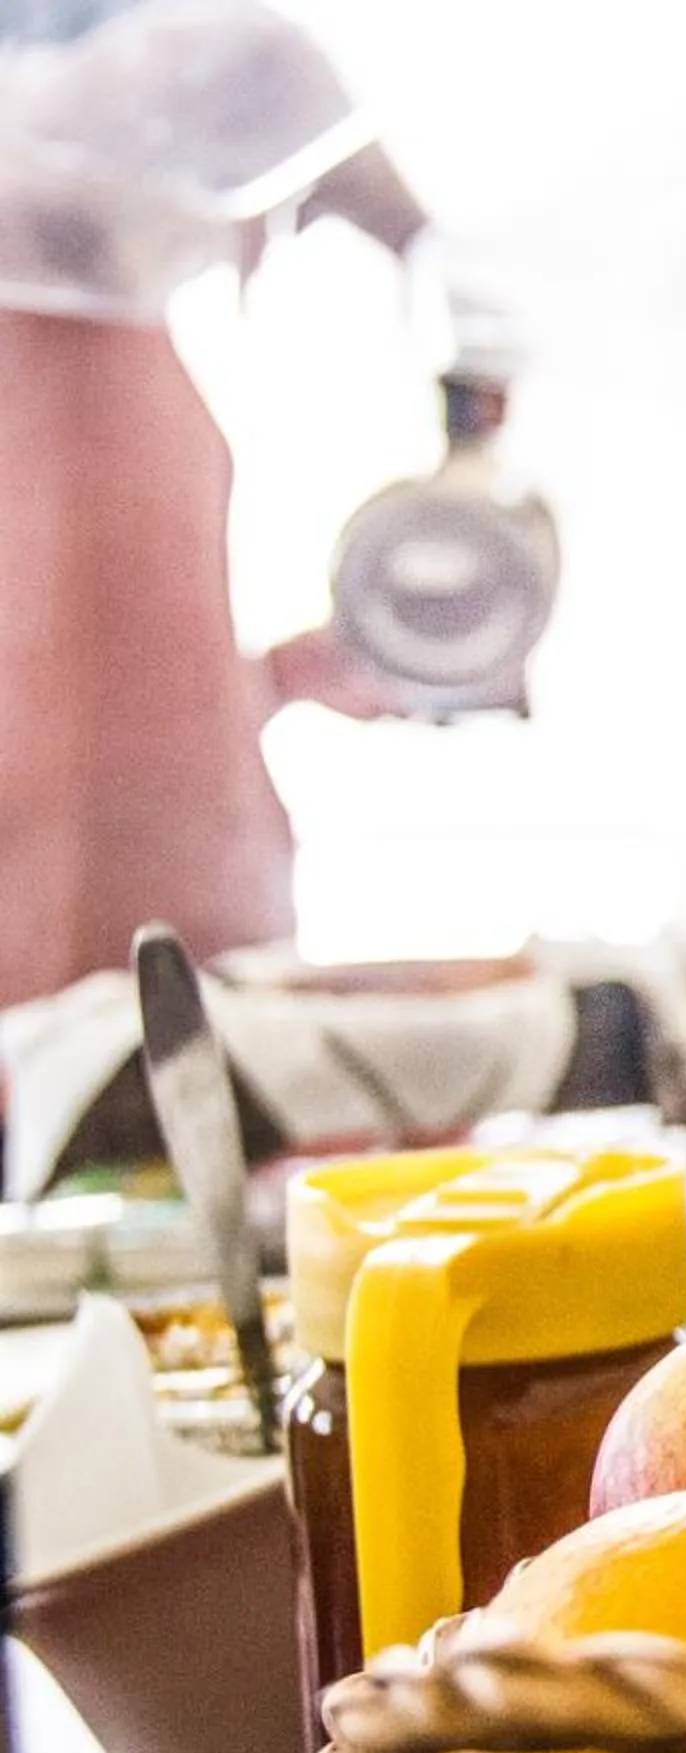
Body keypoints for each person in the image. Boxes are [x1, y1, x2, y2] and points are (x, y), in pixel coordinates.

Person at [0, 1, 432, 1013]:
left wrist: (278, 678)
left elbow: (104, 696)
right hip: (58, 992)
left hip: (186, 960)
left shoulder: (138, 380)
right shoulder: (50, 375)